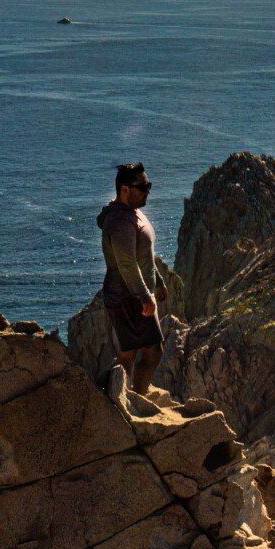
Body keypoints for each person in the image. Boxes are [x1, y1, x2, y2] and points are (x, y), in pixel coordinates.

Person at [97, 162, 164, 396]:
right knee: (146, 352)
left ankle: (128, 398)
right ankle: (132, 399)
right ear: (125, 189)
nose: (148, 191)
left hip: (133, 294)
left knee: (133, 352)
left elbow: (144, 255)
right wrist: (146, 296)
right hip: (127, 296)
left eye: (149, 185)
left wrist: (159, 281)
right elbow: (127, 263)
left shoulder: (133, 212)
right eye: (143, 186)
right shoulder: (120, 221)